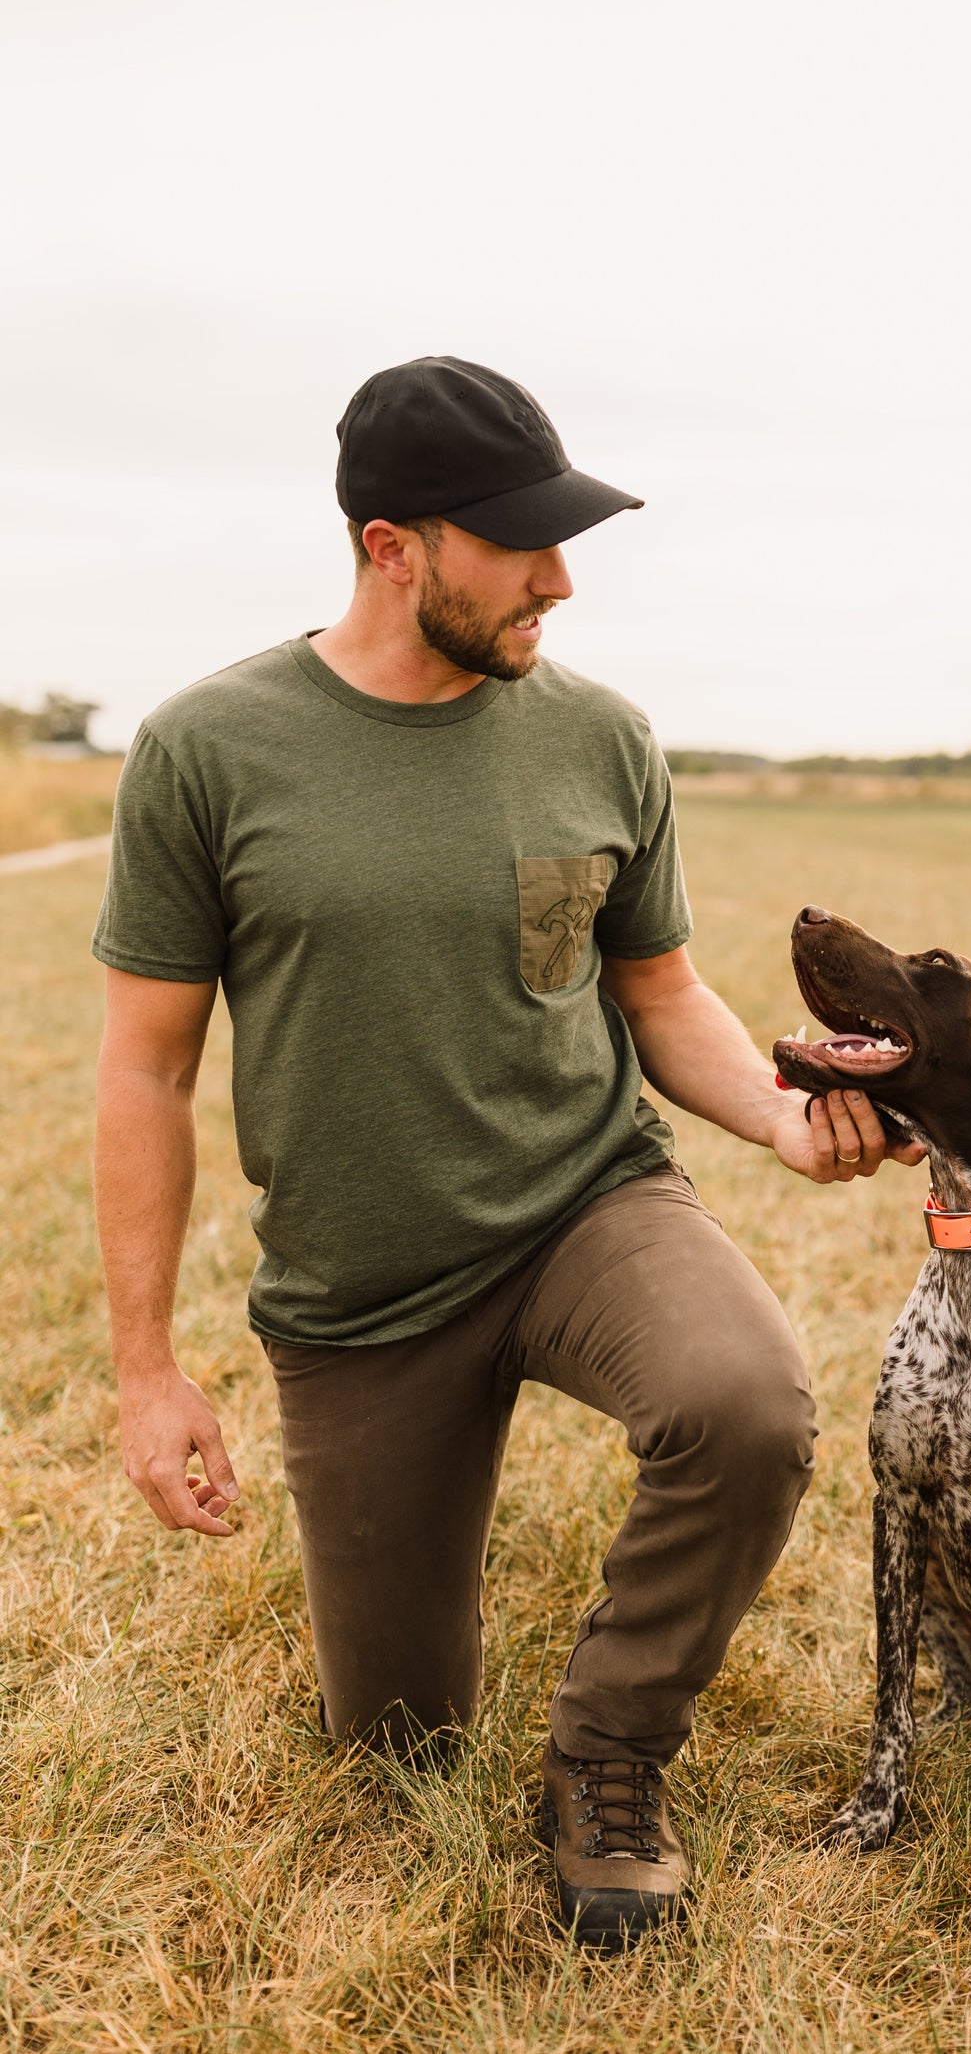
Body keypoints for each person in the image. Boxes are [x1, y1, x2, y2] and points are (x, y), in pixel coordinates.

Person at [92, 356, 924, 1952]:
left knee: (745, 1404)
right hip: (362, 1286)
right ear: (394, 546)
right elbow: (145, 1070)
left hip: (580, 1204)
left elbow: (659, 992)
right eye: (516, 543)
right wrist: (147, 1370)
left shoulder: (599, 738)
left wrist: (772, 1118)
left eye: (563, 538)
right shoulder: (207, 748)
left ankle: (609, 1759)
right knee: (395, 1743)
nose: (557, 578)